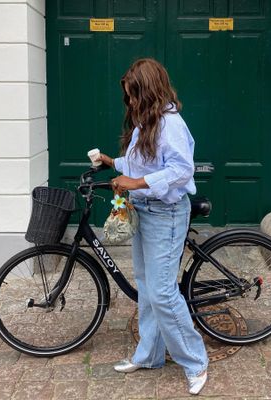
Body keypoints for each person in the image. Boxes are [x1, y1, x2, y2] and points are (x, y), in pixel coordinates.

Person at [96, 58, 209, 395]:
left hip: (166, 214)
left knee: (161, 292)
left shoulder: (170, 123)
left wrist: (136, 182)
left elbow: (180, 170)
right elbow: (137, 163)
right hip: (145, 211)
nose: (130, 102)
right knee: (147, 288)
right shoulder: (146, 122)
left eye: (134, 95)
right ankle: (149, 355)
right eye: (128, 97)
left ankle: (195, 361)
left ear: (149, 92)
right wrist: (111, 162)